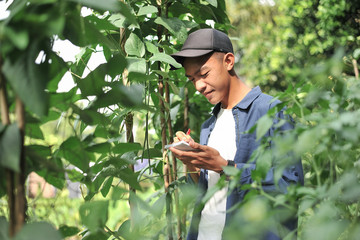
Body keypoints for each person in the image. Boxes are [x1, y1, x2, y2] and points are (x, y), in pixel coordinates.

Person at [168, 28, 304, 240]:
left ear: (229, 61)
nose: (198, 86)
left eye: (203, 74)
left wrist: (226, 167)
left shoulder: (271, 111)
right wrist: (192, 162)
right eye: (192, 79)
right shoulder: (208, 126)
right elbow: (206, 190)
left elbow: (290, 187)